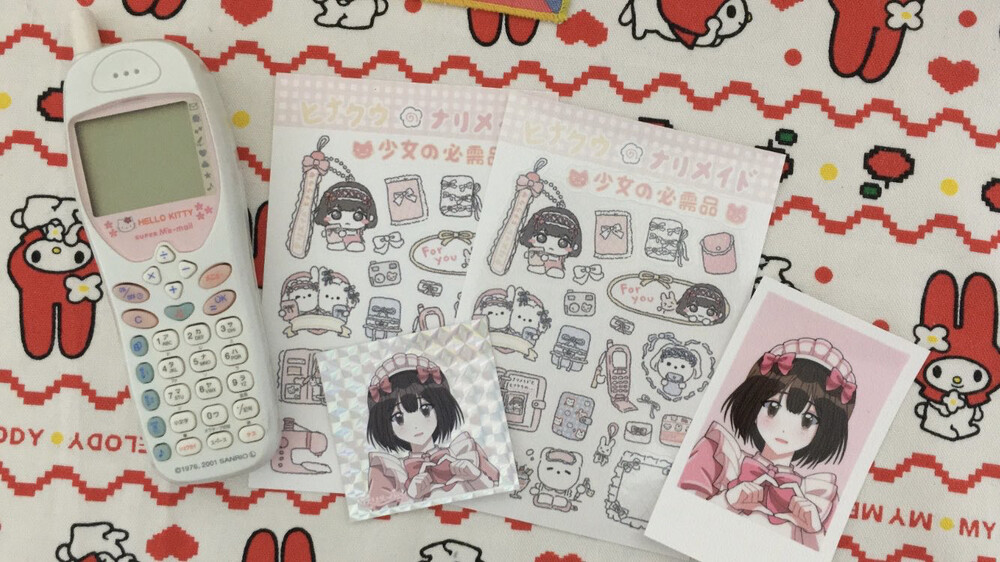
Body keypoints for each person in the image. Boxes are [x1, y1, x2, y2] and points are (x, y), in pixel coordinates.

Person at [678, 338, 857, 550]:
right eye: (773, 408)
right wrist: (725, 501)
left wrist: (813, 531)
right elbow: (677, 520)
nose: (785, 428)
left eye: (807, 420)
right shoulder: (719, 456)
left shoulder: (819, 496)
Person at [366, 354, 500, 510]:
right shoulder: (390, 471)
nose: (415, 425)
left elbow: (496, 497)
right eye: (399, 418)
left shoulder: (465, 450)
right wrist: (410, 497)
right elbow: (380, 513)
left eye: (425, 410)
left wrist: (476, 476)